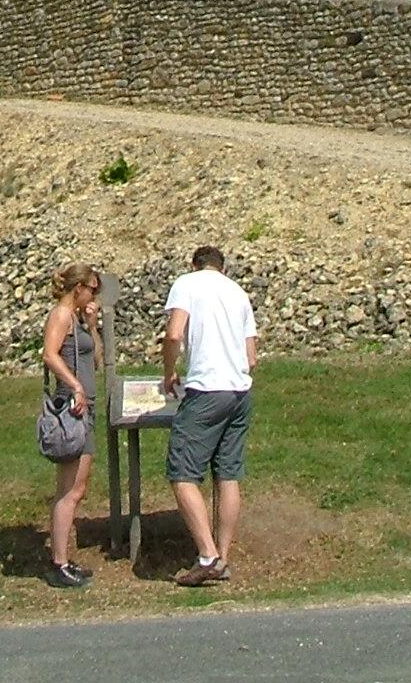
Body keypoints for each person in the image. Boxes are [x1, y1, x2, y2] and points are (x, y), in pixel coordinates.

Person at [161, 245, 257, 586]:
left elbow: (174, 333)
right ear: (223, 267)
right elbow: (252, 356)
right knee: (228, 473)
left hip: (207, 389)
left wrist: (169, 370)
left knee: (182, 472)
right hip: (240, 391)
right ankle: (224, 557)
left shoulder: (187, 284)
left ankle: (207, 555)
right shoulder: (239, 294)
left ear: (194, 264)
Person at [40, 262, 104, 589]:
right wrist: (75, 385)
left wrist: (92, 325)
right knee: (68, 489)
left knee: (77, 489)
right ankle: (58, 563)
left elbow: (96, 359)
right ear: (77, 288)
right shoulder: (61, 316)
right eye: (92, 289)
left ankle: (63, 558)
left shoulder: (78, 319)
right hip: (73, 407)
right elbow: (50, 354)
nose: (95, 295)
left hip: (87, 408)